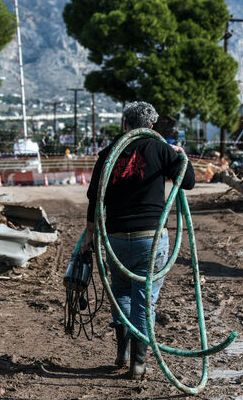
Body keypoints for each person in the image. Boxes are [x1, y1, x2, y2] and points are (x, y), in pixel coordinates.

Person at [81, 102, 195, 379]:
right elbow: (187, 181)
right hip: (151, 239)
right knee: (143, 301)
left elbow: (94, 197)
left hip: (116, 239)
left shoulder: (109, 153)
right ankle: (138, 363)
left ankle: (123, 352)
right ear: (152, 127)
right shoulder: (161, 149)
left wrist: (89, 233)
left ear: (124, 125)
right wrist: (181, 157)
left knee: (121, 294)